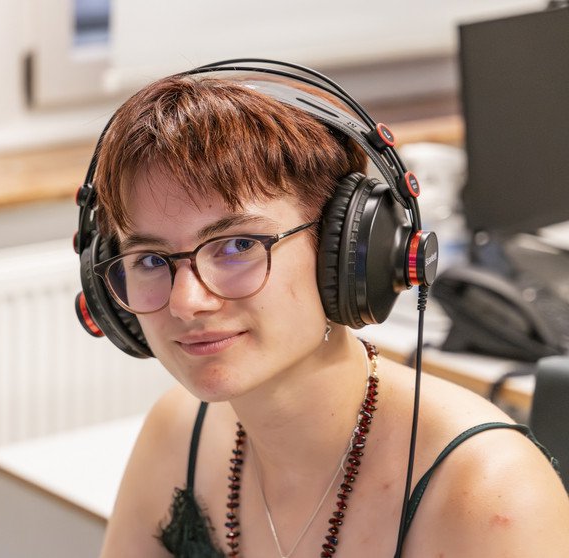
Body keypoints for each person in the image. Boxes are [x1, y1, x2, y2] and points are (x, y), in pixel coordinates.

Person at [78, 64, 569, 557]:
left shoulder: (489, 491)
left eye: (238, 245)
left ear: (352, 254)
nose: (187, 301)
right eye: (149, 260)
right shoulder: (180, 432)